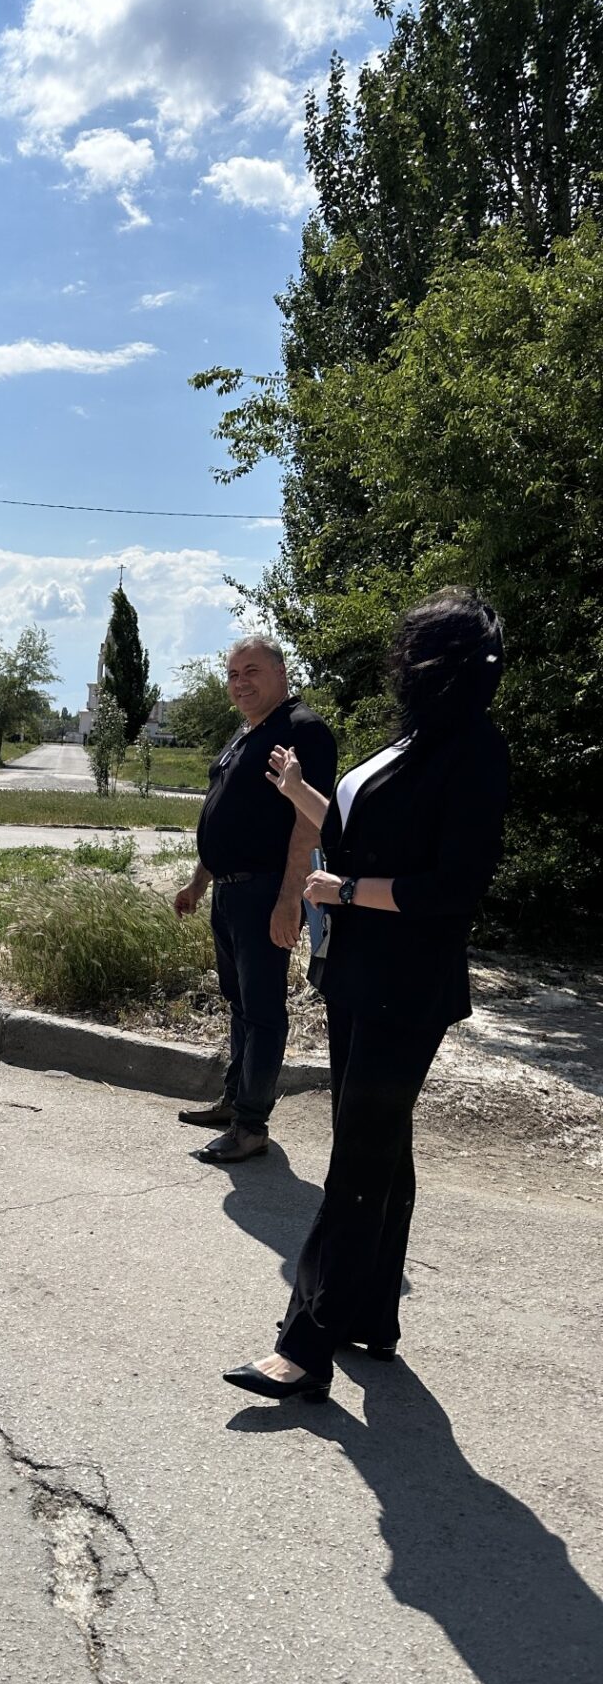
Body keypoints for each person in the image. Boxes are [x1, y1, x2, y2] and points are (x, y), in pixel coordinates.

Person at [223, 589, 509, 1402]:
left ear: (444, 661)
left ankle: (306, 1346)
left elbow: (453, 887)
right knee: (384, 1150)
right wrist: (300, 793)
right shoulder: (415, 740)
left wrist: (345, 892)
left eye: (413, 647)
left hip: (405, 985)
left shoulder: (475, 750)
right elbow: (360, 838)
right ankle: (373, 1316)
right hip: (358, 974)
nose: (399, 659)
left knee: (357, 1158)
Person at [174, 638, 337, 1164]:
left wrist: (290, 901)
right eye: (232, 674)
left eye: (251, 671)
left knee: (263, 1010)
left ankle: (251, 1126)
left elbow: (309, 823)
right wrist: (199, 882)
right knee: (240, 1003)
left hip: (267, 891)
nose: (240, 682)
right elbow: (227, 813)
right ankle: (235, 1101)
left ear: (281, 673)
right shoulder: (246, 732)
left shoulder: (303, 729)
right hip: (230, 892)